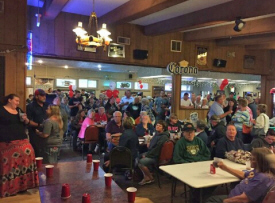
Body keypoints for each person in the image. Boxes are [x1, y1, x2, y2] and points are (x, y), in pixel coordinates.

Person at [0, 94, 39, 197]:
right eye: (16, 100)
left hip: (22, 138)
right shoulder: (1, 110)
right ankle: (10, 188)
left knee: (29, 152)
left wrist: (26, 120)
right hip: (7, 141)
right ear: (9, 100)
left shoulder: (19, 110)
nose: (18, 103)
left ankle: (24, 185)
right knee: (10, 162)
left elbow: (25, 123)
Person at [206, 148, 275, 203]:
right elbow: (244, 174)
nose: (250, 160)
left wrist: (225, 201)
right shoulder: (259, 170)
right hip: (236, 194)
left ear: (260, 162)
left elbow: (244, 199)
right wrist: (225, 168)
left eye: (253, 159)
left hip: (236, 199)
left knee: (211, 200)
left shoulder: (262, 178)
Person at [138, 120, 169, 185]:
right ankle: (147, 175)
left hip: (155, 156)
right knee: (137, 156)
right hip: (151, 153)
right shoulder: (157, 134)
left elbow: (157, 149)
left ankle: (149, 177)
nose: (157, 127)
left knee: (140, 162)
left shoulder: (163, 137)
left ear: (163, 128)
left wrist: (147, 155)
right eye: (157, 125)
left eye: (160, 126)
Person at [27, 89, 49, 157]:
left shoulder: (47, 105)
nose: (44, 97)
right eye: (42, 95)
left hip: (46, 131)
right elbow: (28, 121)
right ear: (36, 96)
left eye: (45, 95)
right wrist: (39, 125)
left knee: (46, 152)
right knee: (37, 152)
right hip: (35, 132)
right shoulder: (30, 106)